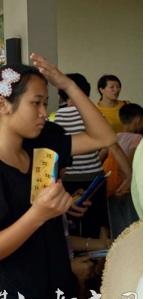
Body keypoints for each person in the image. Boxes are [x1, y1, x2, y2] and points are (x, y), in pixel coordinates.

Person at [0, 54, 117, 299]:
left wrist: (68, 86)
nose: (44, 112)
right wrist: (39, 214)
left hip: (52, 295)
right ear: (3, 105)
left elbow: (105, 137)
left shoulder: (39, 151)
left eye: (46, 103)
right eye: (36, 103)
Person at [53, 73, 109, 238]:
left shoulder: (58, 116)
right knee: (94, 222)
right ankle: (95, 251)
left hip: (69, 177)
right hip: (95, 177)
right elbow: (109, 143)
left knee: (70, 224)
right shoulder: (95, 115)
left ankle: (77, 253)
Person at [108, 103, 143, 238]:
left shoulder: (115, 136)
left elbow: (101, 156)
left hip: (112, 186)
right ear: (138, 120)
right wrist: (127, 181)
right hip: (127, 186)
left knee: (116, 222)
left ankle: (118, 247)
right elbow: (130, 160)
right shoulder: (138, 138)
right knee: (132, 222)